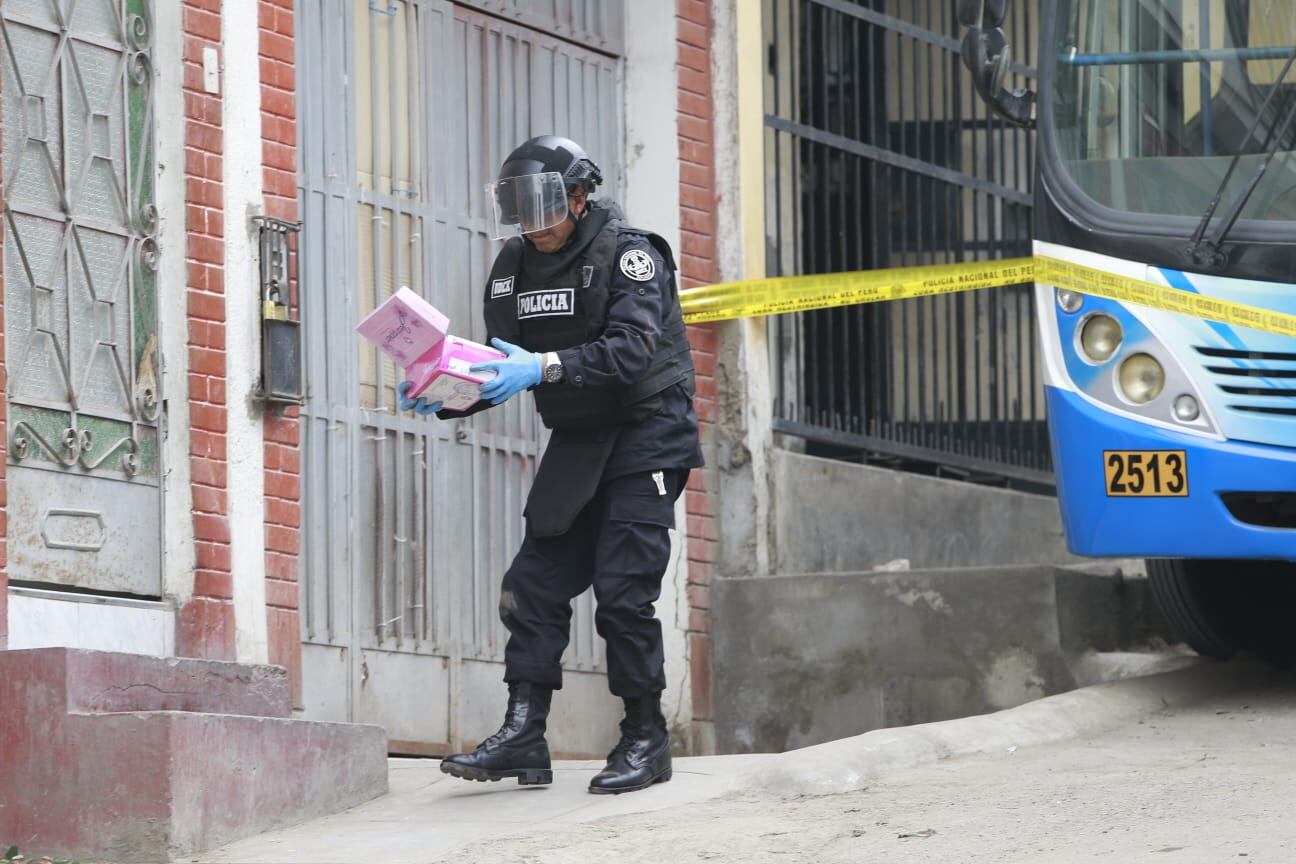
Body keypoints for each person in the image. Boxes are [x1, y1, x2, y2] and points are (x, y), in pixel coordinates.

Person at [397, 135, 702, 794]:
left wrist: (544, 367)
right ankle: (524, 735)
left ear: (579, 195)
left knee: (623, 593)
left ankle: (646, 737)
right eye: (518, 207)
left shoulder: (631, 256)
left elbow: (628, 354)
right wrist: (444, 391)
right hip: (580, 436)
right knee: (533, 585)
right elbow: (500, 366)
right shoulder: (511, 269)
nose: (532, 222)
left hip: (649, 430)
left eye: (544, 204)